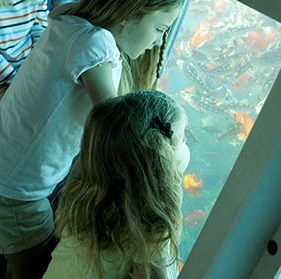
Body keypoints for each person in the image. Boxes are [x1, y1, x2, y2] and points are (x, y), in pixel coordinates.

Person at [0, 0, 181, 279]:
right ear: (131, 14)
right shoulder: (95, 45)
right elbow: (117, 127)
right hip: (13, 198)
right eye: (159, 28)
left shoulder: (69, 23)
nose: (157, 42)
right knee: (34, 270)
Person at [43, 90, 189, 278]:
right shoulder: (151, 227)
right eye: (182, 138)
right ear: (160, 158)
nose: (185, 145)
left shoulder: (83, 199)